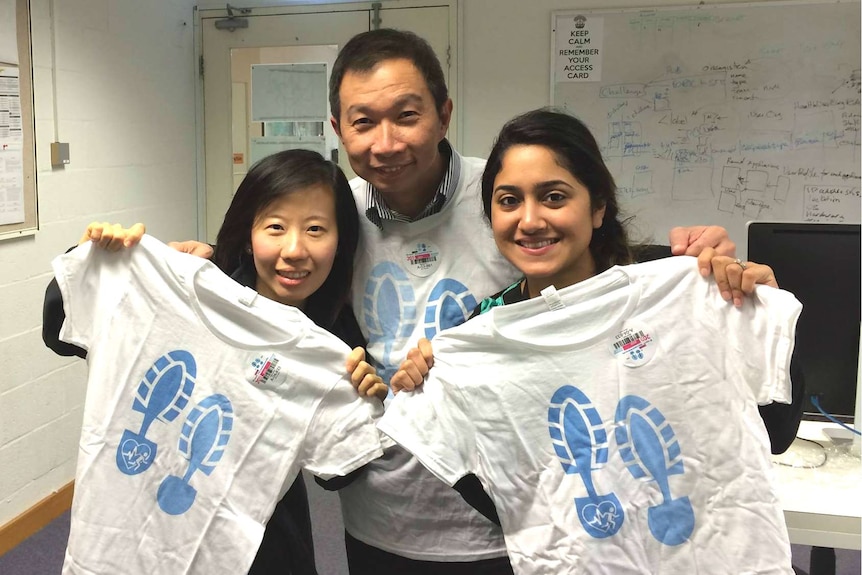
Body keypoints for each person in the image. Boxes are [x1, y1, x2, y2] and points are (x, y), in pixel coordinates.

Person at [168, 29, 741, 575]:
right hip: (376, 519)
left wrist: (700, 268)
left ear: (443, 114)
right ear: (339, 129)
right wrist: (199, 264)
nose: (386, 142)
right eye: (363, 122)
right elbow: (273, 279)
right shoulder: (334, 216)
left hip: (504, 520)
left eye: (407, 115)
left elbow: (601, 285)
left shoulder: (505, 204)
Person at [380, 108, 801, 574]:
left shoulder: (677, 284)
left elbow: (777, 432)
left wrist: (752, 310)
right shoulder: (480, 333)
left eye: (554, 196)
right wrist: (440, 391)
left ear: (597, 207)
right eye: (508, 201)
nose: (531, 220)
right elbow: (506, 494)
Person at [42, 149, 388, 575]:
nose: (295, 250)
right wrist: (102, 257)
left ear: (341, 241)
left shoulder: (338, 343)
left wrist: (364, 397)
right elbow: (61, 328)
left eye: (316, 229)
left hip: (262, 546)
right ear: (248, 234)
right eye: (275, 227)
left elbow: (337, 474)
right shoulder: (189, 283)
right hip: (129, 537)